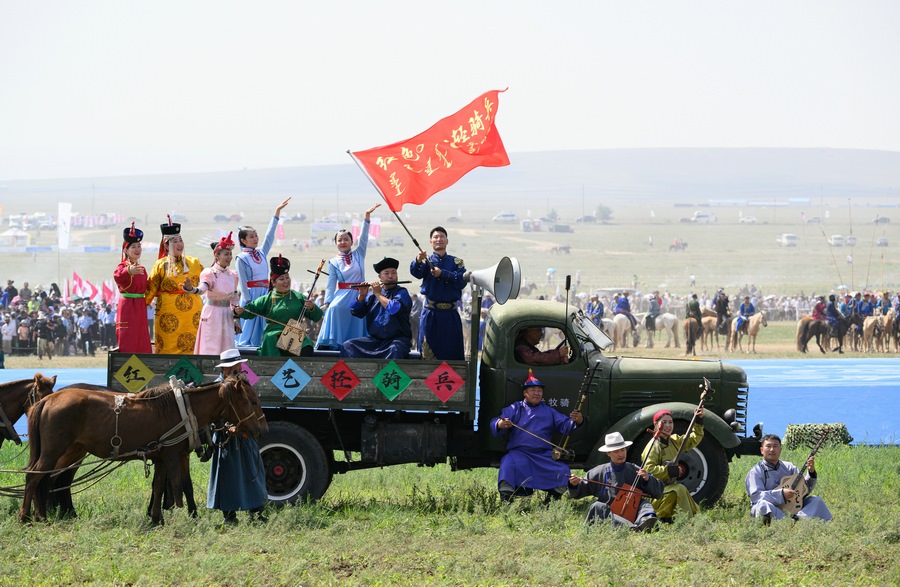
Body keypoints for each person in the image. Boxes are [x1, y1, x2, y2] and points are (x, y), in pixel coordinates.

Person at [491, 370, 584, 501]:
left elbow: (566, 425)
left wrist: (578, 420)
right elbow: (496, 421)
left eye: (539, 390)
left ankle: (551, 502)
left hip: (543, 455)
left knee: (563, 470)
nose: (536, 393)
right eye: (533, 390)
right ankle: (507, 502)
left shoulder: (549, 411)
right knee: (508, 464)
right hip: (519, 453)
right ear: (525, 393)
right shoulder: (516, 408)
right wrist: (500, 424)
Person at [206, 348, 268, 525]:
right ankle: (229, 516)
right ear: (225, 369)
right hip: (226, 439)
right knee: (228, 477)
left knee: (253, 473)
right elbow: (212, 415)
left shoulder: (245, 382)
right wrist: (226, 427)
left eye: (239, 365)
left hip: (246, 436)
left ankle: (256, 513)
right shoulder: (218, 387)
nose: (239, 368)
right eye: (235, 366)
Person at [567, 432, 664, 531]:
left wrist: (648, 479)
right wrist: (574, 484)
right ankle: (631, 528)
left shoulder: (635, 470)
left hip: (633, 512)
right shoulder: (598, 472)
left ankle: (646, 523)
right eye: (616, 451)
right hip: (610, 514)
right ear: (608, 453)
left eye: (622, 450)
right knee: (597, 507)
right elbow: (577, 493)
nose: (621, 454)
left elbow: (658, 492)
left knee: (645, 504)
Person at [316, 203, 381, 350]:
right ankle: (334, 345)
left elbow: (364, 237)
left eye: (346, 239)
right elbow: (331, 284)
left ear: (352, 242)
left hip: (360, 293)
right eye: (339, 240)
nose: (343, 242)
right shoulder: (333, 262)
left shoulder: (359, 254)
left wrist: (366, 217)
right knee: (334, 308)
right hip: (342, 294)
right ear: (335, 243)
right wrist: (328, 302)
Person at [234, 255, 323, 357]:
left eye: (287, 277)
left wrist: (312, 307)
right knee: (272, 340)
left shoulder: (299, 297)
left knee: (307, 348)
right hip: (274, 334)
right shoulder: (267, 299)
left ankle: (295, 367)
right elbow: (250, 310)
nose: (286, 281)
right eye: (281, 279)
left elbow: (317, 316)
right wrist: (239, 311)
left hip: (294, 334)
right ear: (273, 282)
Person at [235, 197, 291, 348]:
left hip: (265, 293)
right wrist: (248, 301)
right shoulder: (241, 258)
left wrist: (277, 213)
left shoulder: (261, 253)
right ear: (243, 240)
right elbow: (242, 282)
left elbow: (269, 236)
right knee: (250, 326)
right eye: (251, 237)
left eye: (256, 235)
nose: (255, 239)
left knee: (264, 326)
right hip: (251, 295)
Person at [145, 217, 204, 354]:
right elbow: (150, 291)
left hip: (192, 314)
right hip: (168, 314)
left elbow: (208, 281)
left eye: (180, 240)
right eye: (174, 241)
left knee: (193, 347)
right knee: (168, 348)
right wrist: (136, 307)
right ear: (166, 246)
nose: (179, 244)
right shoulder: (160, 265)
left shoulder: (194, 262)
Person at [745, 434, 832, 524]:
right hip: (773, 509)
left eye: (775, 446)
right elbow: (756, 496)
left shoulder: (789, 467)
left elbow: (803, 490)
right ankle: (792, 522)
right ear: (762, 450)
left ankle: (796, 520)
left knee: (816, 501)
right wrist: (781, 494)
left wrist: (811, 472)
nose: (772, 450)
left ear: (780, 449)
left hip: (793, 508)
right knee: (762, 506)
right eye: (768, 446)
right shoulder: (755, 471)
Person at [410, 226, 468, 360]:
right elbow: (416, 273)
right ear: (431, 242)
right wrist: (418, 260)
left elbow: (462, 281)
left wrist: (443, 274)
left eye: (442, 237)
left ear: (447, 241)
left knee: (452, 353)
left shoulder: (457, 262)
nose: (439, 239)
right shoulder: (426, 261)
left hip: (450, 315)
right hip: (430, 314)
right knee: (427, 353)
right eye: (435, 237)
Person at [341, 257, 412, 360]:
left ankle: (388, 372)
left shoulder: (402, 292)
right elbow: (356, 313)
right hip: (375, 341)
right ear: (380, 277)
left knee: (395, 349)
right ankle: (360, 371)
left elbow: (394, 309)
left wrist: (378, 294)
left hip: (397, 340)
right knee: (348, 345)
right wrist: (362, 295)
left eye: (394, 273)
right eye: (386, 273)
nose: (391, 276)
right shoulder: (371, 295)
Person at [641, 408, 703, 522]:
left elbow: (693, 440)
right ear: (656, 424)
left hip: (668, 488)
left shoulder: (674, 440)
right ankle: (686, 522)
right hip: (654, 494)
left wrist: (698, 421)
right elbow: (648, 470)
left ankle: (696, 520)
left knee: (681, 489)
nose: (668, 426)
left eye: (670, 422)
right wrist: (669, 471)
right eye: (664, 422)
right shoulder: (653, 446)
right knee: (679, 489)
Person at [193, 232, 241, 356]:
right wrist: (192, 289)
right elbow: (202, 289)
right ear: (217, 255)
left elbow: (234, 298)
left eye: (230, 254)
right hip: (212, 314)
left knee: (227, 349)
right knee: (210, 347)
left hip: (227, 315)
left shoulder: (233, 275)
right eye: (226, 254)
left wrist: (236, 316)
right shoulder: (210, 273)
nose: (229, 257)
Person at [113, 223, 152, 353]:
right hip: (128, 307)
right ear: (126, 250)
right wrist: (128, 271)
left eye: (139, 246)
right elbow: (117, 276)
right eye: (133, 247)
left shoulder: (142, 269)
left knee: (141, 336)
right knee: (129, 337)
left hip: (140, 306)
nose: (137, 249)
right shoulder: (122, 266)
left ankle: (144, 364)